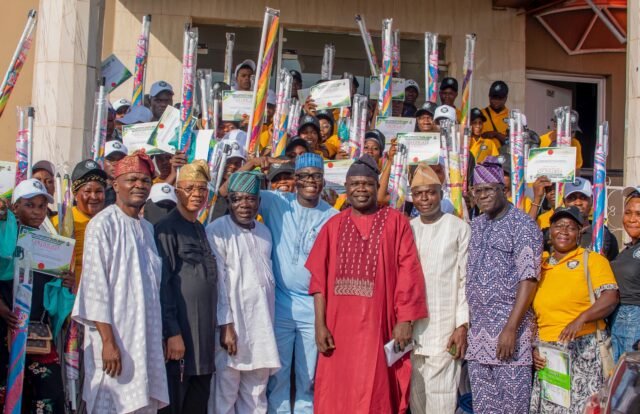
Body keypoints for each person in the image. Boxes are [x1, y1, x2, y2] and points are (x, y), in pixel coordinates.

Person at [307, 154, 427, 413]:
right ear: (346, 188)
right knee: (337, 391)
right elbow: (318, 283)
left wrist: (405, 320)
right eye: (355, 184)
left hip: (379, 326)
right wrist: (320, 325)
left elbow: (409, 272)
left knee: (376, 390)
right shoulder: (333, 226)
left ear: (377, 186)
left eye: (367, 184)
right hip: (338, 330)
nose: (361, 189)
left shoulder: (396, 222)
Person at [226, 153, 336, 412]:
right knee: (277, 375)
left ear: (323, 181)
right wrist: (251, 164)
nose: (310, 181)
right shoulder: (277, 201)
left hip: (313, 307)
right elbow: (231, 190)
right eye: (304, 176)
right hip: (279, 305)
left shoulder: (333, 216)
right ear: (295, 179)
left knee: (309, 376)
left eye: (316, 176)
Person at [72, 151, 169, 413]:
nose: (139, 185)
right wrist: (108, 342)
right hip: (115, 338)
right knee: (111, 402)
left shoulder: (147, 228)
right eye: (132, 179)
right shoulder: (102, 224)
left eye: (145, 180)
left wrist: (157, 335)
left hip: (145, 337)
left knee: (143, 402)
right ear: (115, 185)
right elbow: (95, 289)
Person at [466, 157, 543, 414]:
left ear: (503, 190)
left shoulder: (523, 225)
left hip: (509, 338)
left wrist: (510, 329)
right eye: (478, 191)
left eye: (489, 190)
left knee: (512, 408)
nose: (483, 196)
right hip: (478, 340)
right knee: (484, 408)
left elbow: (529, 279)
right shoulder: (476, 225)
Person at [154, 160, 229, 414]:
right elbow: (164, 284)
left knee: (198, 403)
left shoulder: (200, 228)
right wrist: (172, 332)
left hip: (203, 340)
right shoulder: (166, 229)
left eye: (201, 189)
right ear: (177, 192)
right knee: (175, 402)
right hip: (181, 338)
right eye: (189, 188)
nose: (196, 194)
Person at [530, 206, 619, 414]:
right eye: (558, 226)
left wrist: (581, 318)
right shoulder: (539, 266)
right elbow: (533, 314)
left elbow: (610, 297)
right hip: (548, 353)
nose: (564, 231)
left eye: (570, 227)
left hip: (583, 351)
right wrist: (534, 349)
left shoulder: (592, 260)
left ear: (579, 233)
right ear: (550, 231)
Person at [207, 171, 281, 413]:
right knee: (225, 392)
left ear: (259, 202)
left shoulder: (265, 233)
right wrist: (226, 324)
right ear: (229, 202)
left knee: (257, 393)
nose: (244, 204)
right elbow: (219, 282)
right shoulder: (217, 230)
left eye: (250, 199)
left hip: (261, 327)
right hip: (232, 327)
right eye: (237, 199)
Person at [0, 179, 69, 413]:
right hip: (5, 330)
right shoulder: (4, 237)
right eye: (29, 205)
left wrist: (66, 284)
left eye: (41, 206)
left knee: (48, 397)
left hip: (37, 334)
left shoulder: (52, 246)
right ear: (15, 207)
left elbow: (52, 294)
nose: (37, 212)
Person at [409, 164, 470, 414]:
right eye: (418, 193)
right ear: (412, 197)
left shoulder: (458, 227)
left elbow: (466, 280)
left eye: (430, 192)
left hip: (445, 330)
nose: (425, 198)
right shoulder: (408, 228)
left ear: (440, 194)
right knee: (416, 401)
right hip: (412, 332)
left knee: (442, 401)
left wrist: (462, 325)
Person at [52, 159, 107, 287]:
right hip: (72, 293)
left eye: (99, 191)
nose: (94, 197)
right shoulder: (59, 222)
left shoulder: (111, 222)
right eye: (87, 192)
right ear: (75, 194)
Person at [610, 187, 640, 362]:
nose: (632, 219)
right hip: (618, 319)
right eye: (628, 213)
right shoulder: (628, 249)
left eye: (639, 214)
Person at [562, 178, 619, 261]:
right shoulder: (555, 234)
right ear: (564, 202)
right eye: (572, 198)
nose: (578, 203)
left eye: (583, 197)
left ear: (592, 200)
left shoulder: (603, 235)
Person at [481, 81, 509, 147]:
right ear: (489, 97)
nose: (496, 101)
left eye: (500, 98)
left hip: (504, 153)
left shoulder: (511, 117)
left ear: (505, 98)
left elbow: (512, 142)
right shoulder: (481, 114)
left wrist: (496, 134)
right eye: (494, 98)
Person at [104, 141, 128, 207]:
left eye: (120, 160)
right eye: (110, 159)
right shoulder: (96, 189)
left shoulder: (130, 188)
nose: (116, 163)